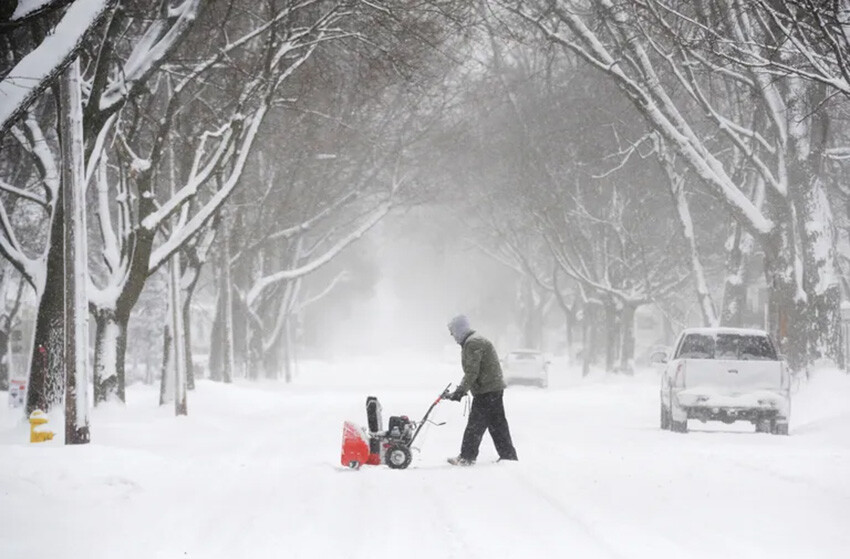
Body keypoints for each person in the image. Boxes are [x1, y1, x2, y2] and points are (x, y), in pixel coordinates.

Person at [444, 314, 518, 466]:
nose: (452, 335)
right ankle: (508, 456)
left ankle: (467, 457)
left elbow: (472, 372)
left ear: (459, 330)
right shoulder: (473, 341)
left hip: (487, 390)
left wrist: (460, 391)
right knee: (497, 424)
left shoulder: (473, 343)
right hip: (491, 388)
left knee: (475, 425)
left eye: (453, 331)